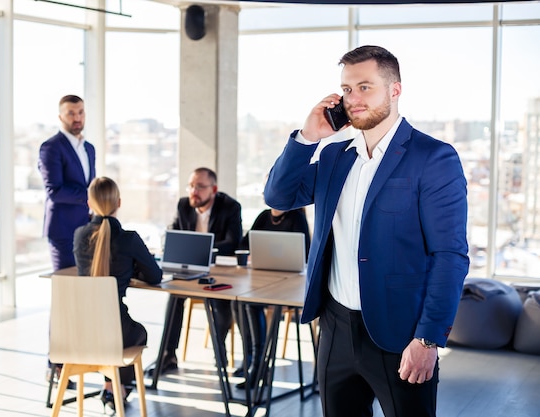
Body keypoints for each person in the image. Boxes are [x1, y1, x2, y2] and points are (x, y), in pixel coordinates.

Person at [264, 45, 469, 417]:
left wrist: (428, 339)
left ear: (395, 90)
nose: (353, 99)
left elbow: (449, 256)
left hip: (402, 334)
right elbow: (277, 195)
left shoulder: (433, 158)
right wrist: (308, 137)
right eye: (346, 90)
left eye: (365, 87)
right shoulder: (332, 156)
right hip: (335, 328)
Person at [73, 176, 162, 412]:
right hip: (114, 329)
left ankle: (112, 388)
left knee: (117, 335)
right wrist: (132, 268)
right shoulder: (129, 239)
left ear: (89, 203)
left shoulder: (80, 235)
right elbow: (155, 276)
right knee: (137, 333)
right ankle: (117, 389)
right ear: (119, 203)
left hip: (80, 330)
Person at [148, 167, 243, 375]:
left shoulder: (230, 207)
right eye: (191, 185)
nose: (194, 191)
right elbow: (173, 234)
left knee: (219, 298)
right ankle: (167, 356)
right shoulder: (183, 205)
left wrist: (200, 249)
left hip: (218, 271)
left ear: (214, 189)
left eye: (200, 186)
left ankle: (220, 353)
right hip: (190, 270)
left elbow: (233, 241)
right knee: (174, 296)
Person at [39, 94, 96, 385]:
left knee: (82, 297)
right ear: (61, 116)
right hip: (62, 233)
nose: (77, 118)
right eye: (71, 113)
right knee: (64, 298)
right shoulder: (51, 148)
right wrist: (91, 196)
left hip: (87, 232)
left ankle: (77, 357)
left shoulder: (89, 148)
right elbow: (54, 191)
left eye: (81, 112)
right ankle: (56, 363)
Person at [235, 207, 311, 387]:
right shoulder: (263, 216)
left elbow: (305, 252)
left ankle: (258, 365)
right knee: (239, 302)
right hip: (263, 278)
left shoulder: (297, 218)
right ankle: (253, 361)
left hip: (290, 284)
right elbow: (243, 244)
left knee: (251, 303)